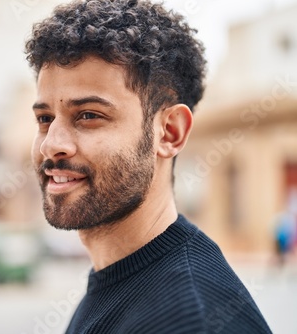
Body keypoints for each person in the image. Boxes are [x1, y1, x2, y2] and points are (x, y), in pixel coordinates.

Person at [25, 0, 271, 333]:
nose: (51, 144)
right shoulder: (117, 278)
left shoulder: (192, 322)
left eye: (88, 115)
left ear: (169, 133)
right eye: (44, 118)